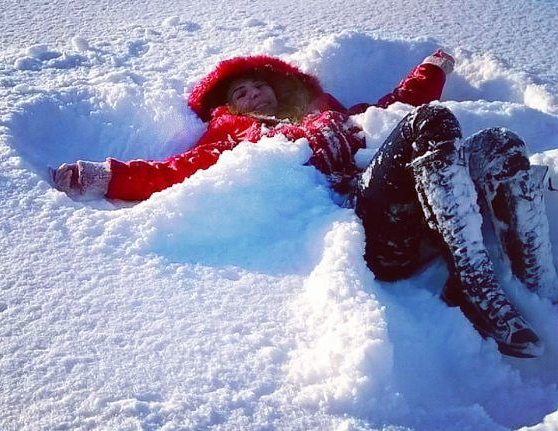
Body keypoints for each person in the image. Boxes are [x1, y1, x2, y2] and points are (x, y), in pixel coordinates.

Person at [51, 52, 558, 358]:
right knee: (432, 123)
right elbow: (168, 174)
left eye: (259, 87)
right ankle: (475, 286)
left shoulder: (333, 118)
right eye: (240, 94)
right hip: (370, 233)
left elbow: (395, 104)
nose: (253, 96)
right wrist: (104, 175)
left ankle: (536, 276)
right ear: (229, 110)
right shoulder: (237, 144)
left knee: (499, 144)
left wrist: (433, 67)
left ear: (279, 89)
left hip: (421, 208)